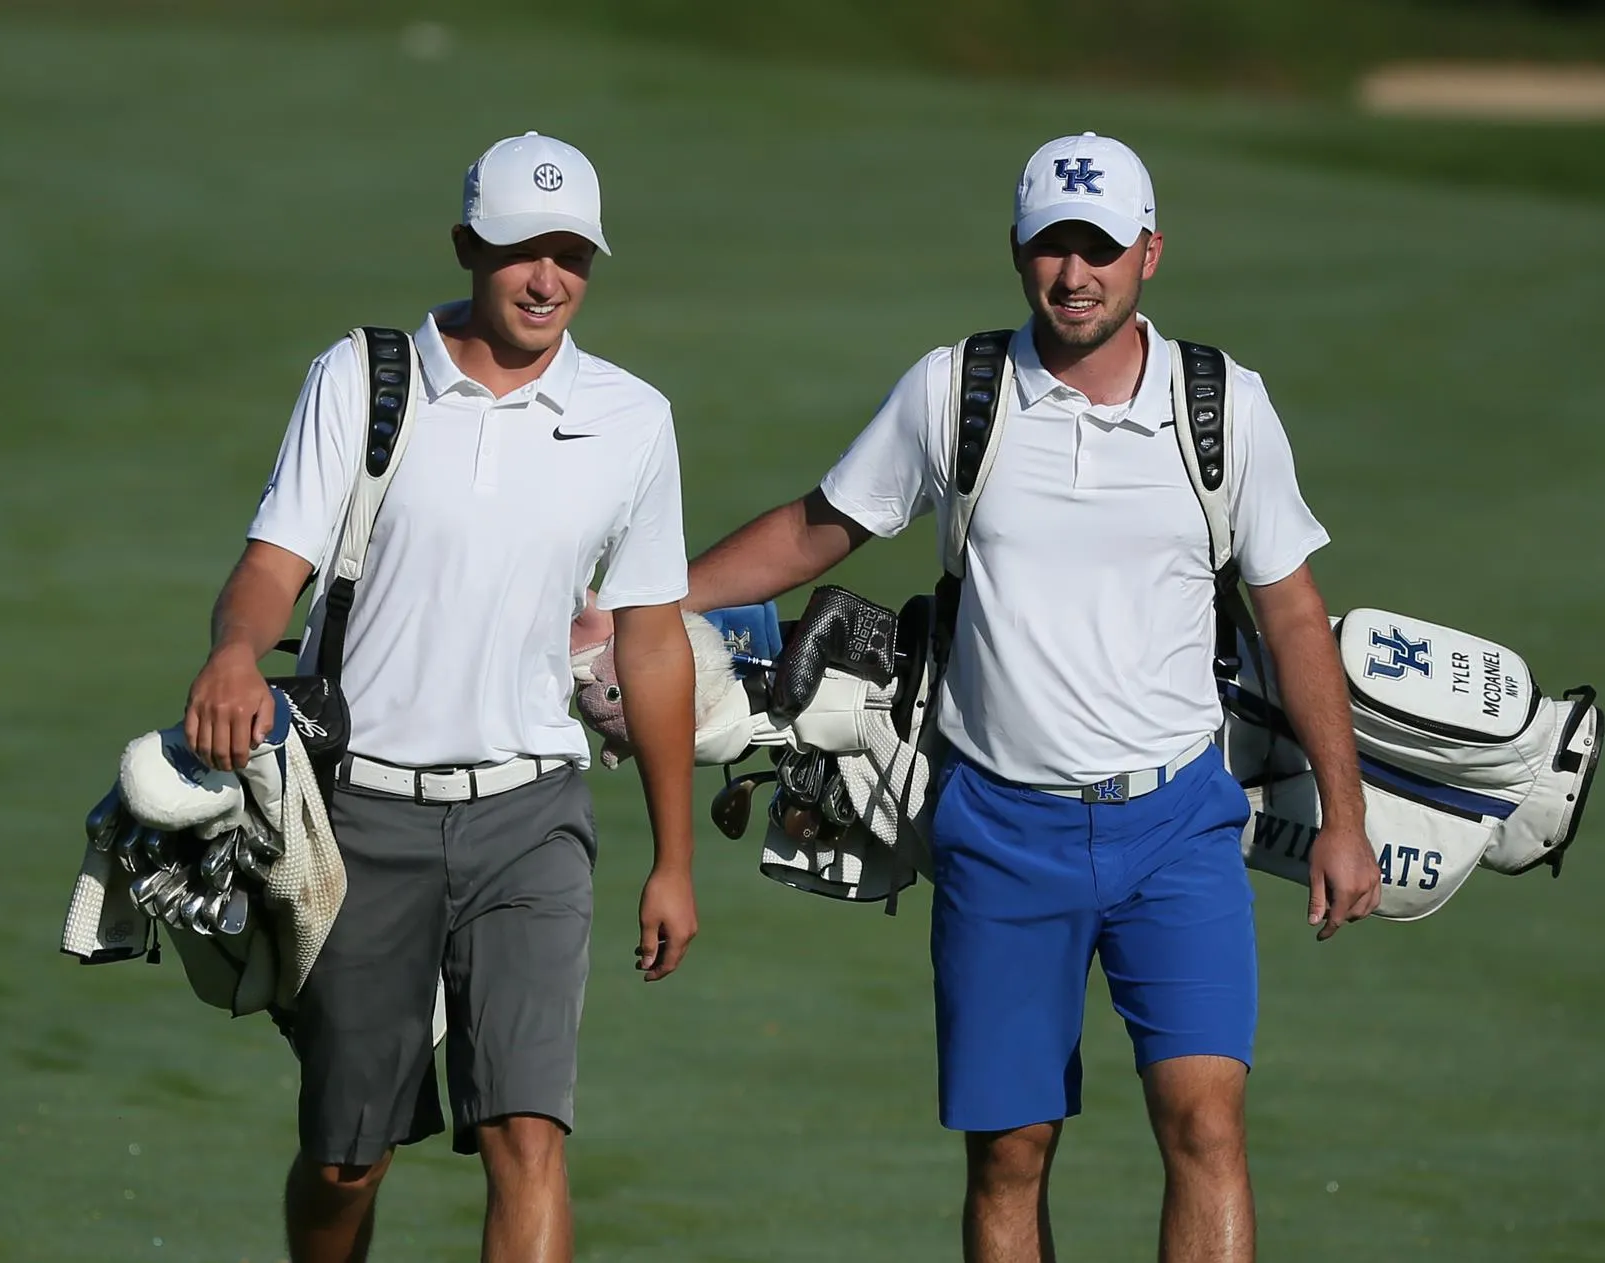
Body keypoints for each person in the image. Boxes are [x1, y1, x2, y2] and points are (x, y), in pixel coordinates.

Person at [685, 132, 1381, 1263]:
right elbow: (822, 526)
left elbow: (1293, 613)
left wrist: (1341, 819)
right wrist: (647, 606)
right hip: (1000, 829)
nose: (1075, 274)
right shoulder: (955, 390)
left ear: (1148, 253)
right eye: (1053, 247)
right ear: (1017, 251)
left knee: (1204, 1120)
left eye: (1099, 248)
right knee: (1009, 1151)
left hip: (1176, 825)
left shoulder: (1222, 405)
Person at [181, 132, 698, 1263]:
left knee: (527, 1132)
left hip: (533, 815)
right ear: (469, 245)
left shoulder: (630, 418)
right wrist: (233, 653)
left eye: (572, 254)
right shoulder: (364, 380)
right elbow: (275, 563)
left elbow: (654, 645)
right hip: (361, 817)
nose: (547, 279)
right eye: (521, 250)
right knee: (346, 1153)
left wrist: (672, 856)